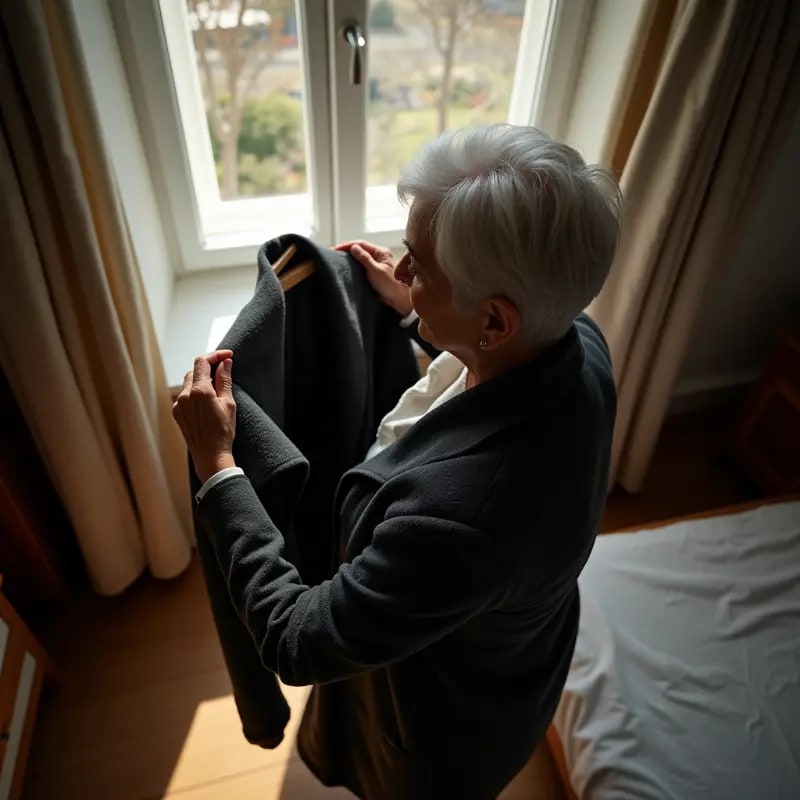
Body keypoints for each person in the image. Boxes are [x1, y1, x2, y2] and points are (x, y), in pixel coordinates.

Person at [173, 124, 621, 798]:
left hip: (438, 728)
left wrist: (219, 468)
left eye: (420, 266)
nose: (401, 272)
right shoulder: (578, 339)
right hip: (514, 657)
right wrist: (424, 312)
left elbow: (297, 637)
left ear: (495, 321)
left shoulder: (462, 520)